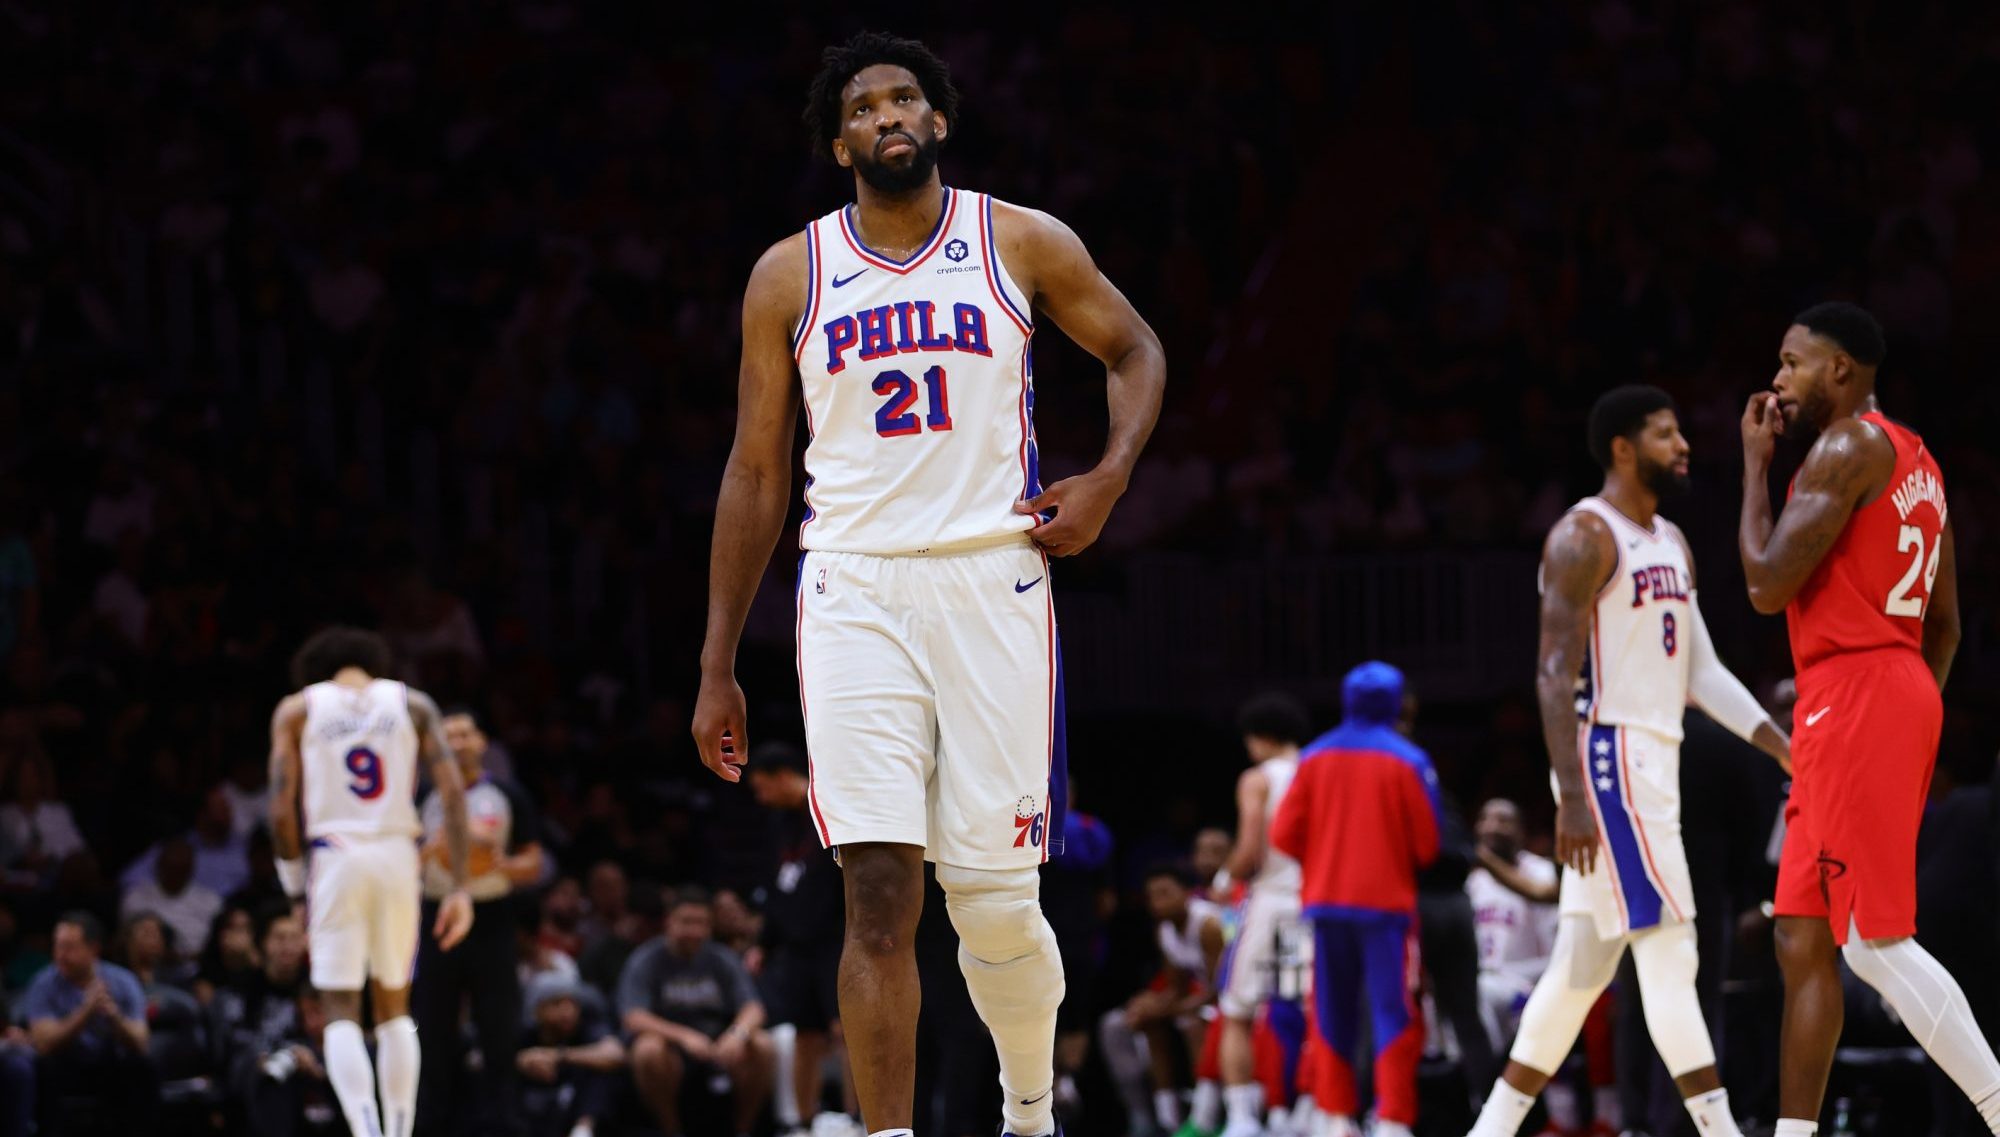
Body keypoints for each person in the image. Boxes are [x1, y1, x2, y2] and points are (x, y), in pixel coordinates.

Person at [690, 29, 1165, 1137]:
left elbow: (1134, 349)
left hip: (990, 577)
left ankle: (1030, 1109)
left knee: (993, 902)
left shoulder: (1017, 239)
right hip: (852, 587)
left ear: (938, 120)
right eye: (865, 106)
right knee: (875, 890)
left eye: (907, 99)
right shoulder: (789, 272)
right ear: (837, 139)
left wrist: (1105, 479)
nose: (889, 116)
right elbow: (756, 468)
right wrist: (717, 661)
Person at [1465, 385, 1790, 1137]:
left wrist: (1782, 746)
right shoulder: (1584, 535)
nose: (1683, 446)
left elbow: (1701, 671)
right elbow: (1552, 672)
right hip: (1607, 755)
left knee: (1579, 967)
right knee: (1674, 947)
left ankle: (1490, 1128)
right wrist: (1572, 796)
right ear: (1622, 447)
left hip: (1651, 756)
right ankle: (1722, 1130)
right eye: (1666, 433)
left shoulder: (1672, 541)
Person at [1739, 301, 2000, 1137]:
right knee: (1802, 937)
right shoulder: (1920, 460)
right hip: (1874, 688)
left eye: (1791, 362)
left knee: (1873, 944)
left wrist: (1752, 467)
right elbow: (1949, 624)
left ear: (1840, 371)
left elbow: (1764, 585)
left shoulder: (1846, 444)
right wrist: (1906, 706)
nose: (1777, 379)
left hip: (1854, 689)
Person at [268, 626, 475, 1137]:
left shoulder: (298, 709)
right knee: (394, 1004)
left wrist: (295, 888)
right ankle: (400, 1131)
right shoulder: (415, 703)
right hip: (396, 853)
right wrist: (460, 887)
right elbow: (453, 797)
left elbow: (279, 811)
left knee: (339, 1006)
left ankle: (366, 1130)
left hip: (336, 856)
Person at [1271, 661, 1439, 1137]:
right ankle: (1391, 1119)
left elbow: (1283, 834)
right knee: (1394, 1011)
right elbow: (1427, 846)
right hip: (1386, 909)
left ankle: (1337, 1117)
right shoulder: (1409, 760)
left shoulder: (1314, 758)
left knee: (1329, 1011)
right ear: (1397, 701)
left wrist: (1327, 857)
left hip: (1325, 904)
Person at [414, 705, 544, 1137]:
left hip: (491, 916)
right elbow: (401, 864)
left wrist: (498, 862)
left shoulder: (507, 794)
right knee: (433, 1025)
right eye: (447, 735)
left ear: (482, 743)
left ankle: (503, 1122)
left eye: (465, 734)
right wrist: (431, 851)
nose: (457, 743)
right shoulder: (422, 798)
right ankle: (433, 1121)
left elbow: (534, 862)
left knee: (498, 1025)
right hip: (435, 915)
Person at [1212, 694, 1312, 1137]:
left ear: (1259, 737)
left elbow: (1250, 851)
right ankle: (1311, 1110)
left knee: (1237, 1010)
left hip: (1269, 900)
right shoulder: (1318, 771)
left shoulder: (1258, 778)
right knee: (1311, 1012)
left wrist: (1221, 878)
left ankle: (1241, 1118)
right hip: (1312, 902)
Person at [747, 741, 852, 1136]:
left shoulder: (829, 806)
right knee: (804, 1033)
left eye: (762, 787)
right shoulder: (779, 823)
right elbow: (777, 887)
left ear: (783, 777)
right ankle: (802, 1123)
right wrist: (764, 942)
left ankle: (858, 1119)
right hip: (795, 947)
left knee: (845, 1031)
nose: (760, 797)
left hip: (836, 940)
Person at [617, 887, 775, 1137]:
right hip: (673, 1049)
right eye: (687, 922)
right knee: (648, 1049)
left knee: (762, 1044)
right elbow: (633, 1017)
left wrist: (737, 1033)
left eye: (702, 923)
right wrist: (683, 1036)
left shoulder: (721, 958)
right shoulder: (646, 959)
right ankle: (671, 1130)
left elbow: (754, 1008)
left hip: (719, 1045)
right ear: (669, 921)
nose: (695, 931)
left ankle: (743, 1130)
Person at [1099, 864, 1226, 1137]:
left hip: (1230, 1002)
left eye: (1165, 893)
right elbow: (1176, 987)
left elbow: (1221, 988)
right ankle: (1167, 1119)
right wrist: (1151, 1005)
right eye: (1152, 896)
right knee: (1151, 1024)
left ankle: (1207, 1117)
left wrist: (1170, 1008)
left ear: (1187, 893)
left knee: (1191, 1023)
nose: (1158, 902)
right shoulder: (1164, 931)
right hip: (1202, 1000)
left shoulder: (1209, 925)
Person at [20, 911, 158, 1134]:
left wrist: (114, 1017)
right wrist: (86, 1011)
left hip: (109, 1065)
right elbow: (43, 1044)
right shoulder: (43, 983)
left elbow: (141, 1043)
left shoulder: (122, 980)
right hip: (64, 1067)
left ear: (93, 949)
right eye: (57, 946)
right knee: (42, 1067)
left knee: (142, 1067)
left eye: (69, 947)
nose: (60, 955)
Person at [518, 974, 625, 1137]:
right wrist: (520, 1061)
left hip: (576, 1112)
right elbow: (479, 1059)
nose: (567, 1012)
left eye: (572, 1003)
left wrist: (557, 1055)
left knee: (600, 1069)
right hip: (531, 1115)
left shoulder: (587, 1027)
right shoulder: (523, 1034)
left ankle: (583, 1130)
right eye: (557, 1004)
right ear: (536, 1010)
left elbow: (616, 1055)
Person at [118, 836, 224, 960]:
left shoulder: (211, 902)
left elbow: (217, 948)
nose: (174, 875)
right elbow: (122, 941)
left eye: (180, 870)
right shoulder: (135, 898)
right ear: (159, 866)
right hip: (142, 968)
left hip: (194, 971)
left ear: (190, 870)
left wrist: (182, 958)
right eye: (170, 868)